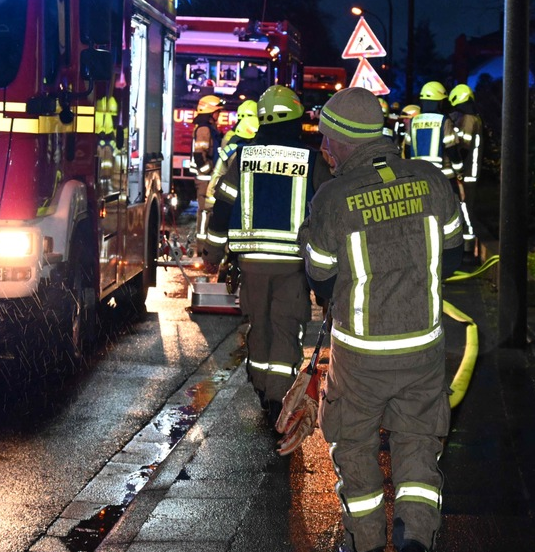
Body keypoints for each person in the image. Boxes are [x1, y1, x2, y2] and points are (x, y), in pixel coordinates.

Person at [299, 86, 463, 552]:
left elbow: (321, 277)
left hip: (361, 356)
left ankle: (366, 542)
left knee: (353, 446)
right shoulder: (432, 181)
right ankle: (416, 535)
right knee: (418, 443)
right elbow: (452, 253)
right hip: (424, 348)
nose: (324, 149)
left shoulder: (334, 198)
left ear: (346, 141)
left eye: (328, 139)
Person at [203, 85, 331, 419]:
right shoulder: (312, 160)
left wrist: (214, 251)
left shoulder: (242, 157)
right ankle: (278, 398)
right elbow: (330, 214)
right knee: (287, 327)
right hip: (293, 263)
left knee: (258, 324)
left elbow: (222, 207)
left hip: (251, 262)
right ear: (297, 118)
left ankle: (261, 386)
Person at [447, 83, 482, 248]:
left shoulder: (468, 120)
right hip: (470, 171)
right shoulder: (473, 118)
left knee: (465, 206)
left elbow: (464, 146)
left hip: (467, 171)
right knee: (465, 205)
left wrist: (458, 168)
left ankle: (468, 247)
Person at [405, 81, 457, 181]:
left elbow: (407, 149)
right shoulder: (444, 121)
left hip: (418, 175)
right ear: (439, 102)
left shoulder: (413, 121)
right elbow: (452, 150)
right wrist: (460, 171)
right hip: (442, 176)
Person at [191, 94, 222, 253]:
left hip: (208, 178)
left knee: (208, 212)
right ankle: (201, 248)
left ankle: (205, 247)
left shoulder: (209, 128)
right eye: (217, 111)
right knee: (204, 213)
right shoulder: (204, 129)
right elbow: (199, 154)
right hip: (205, 179)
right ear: (210, 112)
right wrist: (208, 170)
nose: (219, 114)